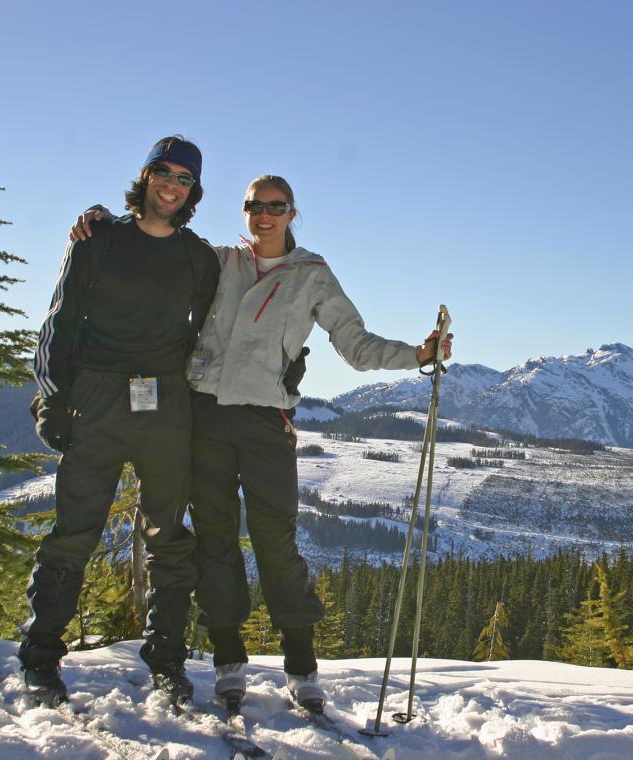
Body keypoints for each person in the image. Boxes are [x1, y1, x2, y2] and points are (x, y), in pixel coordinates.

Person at [73, 174, 452, 713]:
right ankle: (229, 661)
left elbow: (355, 344)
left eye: (276, 206)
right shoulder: (218, 259)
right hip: (203, 414)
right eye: (255, 205)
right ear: (244, 210)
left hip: (266, 422)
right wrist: (102, 219)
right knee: (215, 539)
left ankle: (301, 667)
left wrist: (417, 354)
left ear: (293, 213)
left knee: (277, 540)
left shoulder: (312, 275)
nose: (265, 215)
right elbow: (155, 238)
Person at [23, 136, 221, 708]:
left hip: (166, 406)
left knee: (169, 540)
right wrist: (54, 399)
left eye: (185, 179)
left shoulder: (198, 257)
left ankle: (167, 663)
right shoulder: (99, 241)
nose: (173, 185)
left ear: (194, 191)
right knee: (74, 536)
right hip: (98, 401)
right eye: (165, 172)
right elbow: (59, 323)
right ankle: (40, 658)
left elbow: (214, 330)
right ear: (146, 175)